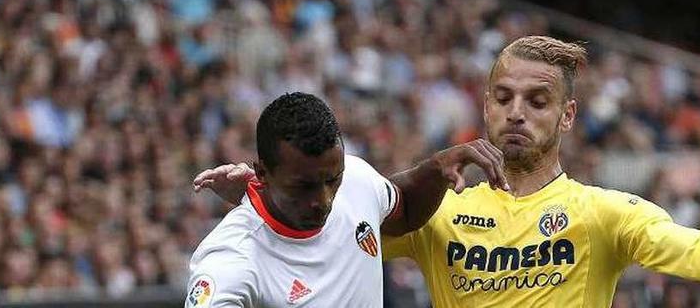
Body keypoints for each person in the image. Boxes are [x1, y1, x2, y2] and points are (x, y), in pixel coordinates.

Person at [197, 36, 700, 307]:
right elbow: (323, 236)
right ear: (484, 104)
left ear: (567, 117)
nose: (515, 113)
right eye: (503, 97)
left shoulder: (604, 212)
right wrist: (259, 200)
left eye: (537, 101)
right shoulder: (437, 213)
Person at [185, 91, 508, 308]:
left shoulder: (356, 178)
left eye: (331, 180)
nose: (323, 199)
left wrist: (437, 169)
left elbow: (405, 209)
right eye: (304, 186)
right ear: (263, 172)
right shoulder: (232, 257)